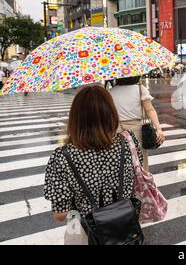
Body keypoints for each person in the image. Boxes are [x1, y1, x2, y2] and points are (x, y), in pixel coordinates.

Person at [44, 85, 145, 222]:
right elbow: (135, 175)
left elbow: (60, 214)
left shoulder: (62, 157)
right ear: (111, 113)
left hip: (90, 233)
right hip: (126, 227)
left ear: (76, 117)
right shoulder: (129, 141)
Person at [109, 76, 165, 171]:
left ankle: (125, 183)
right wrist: (159, 129)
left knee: (121, 159)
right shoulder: (140, 89)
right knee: (140, 159)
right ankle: (142, 182)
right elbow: (150, 110)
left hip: (116, 129)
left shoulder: (110, 92)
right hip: (136, 130)